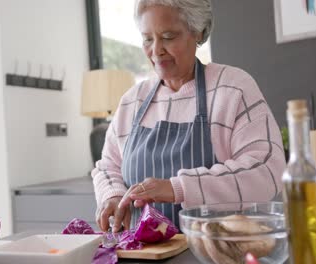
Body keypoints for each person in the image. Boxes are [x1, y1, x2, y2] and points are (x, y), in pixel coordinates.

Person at [92, 0, 285, 233]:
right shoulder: (133, 101)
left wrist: (178, 188)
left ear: (198, 32)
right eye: (148, 39)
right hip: (143, 254)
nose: (156, 50)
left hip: (215, 252)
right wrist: (112, 194)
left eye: (168, 36)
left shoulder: (233, 88)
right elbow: (108, 165)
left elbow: (266, 170)